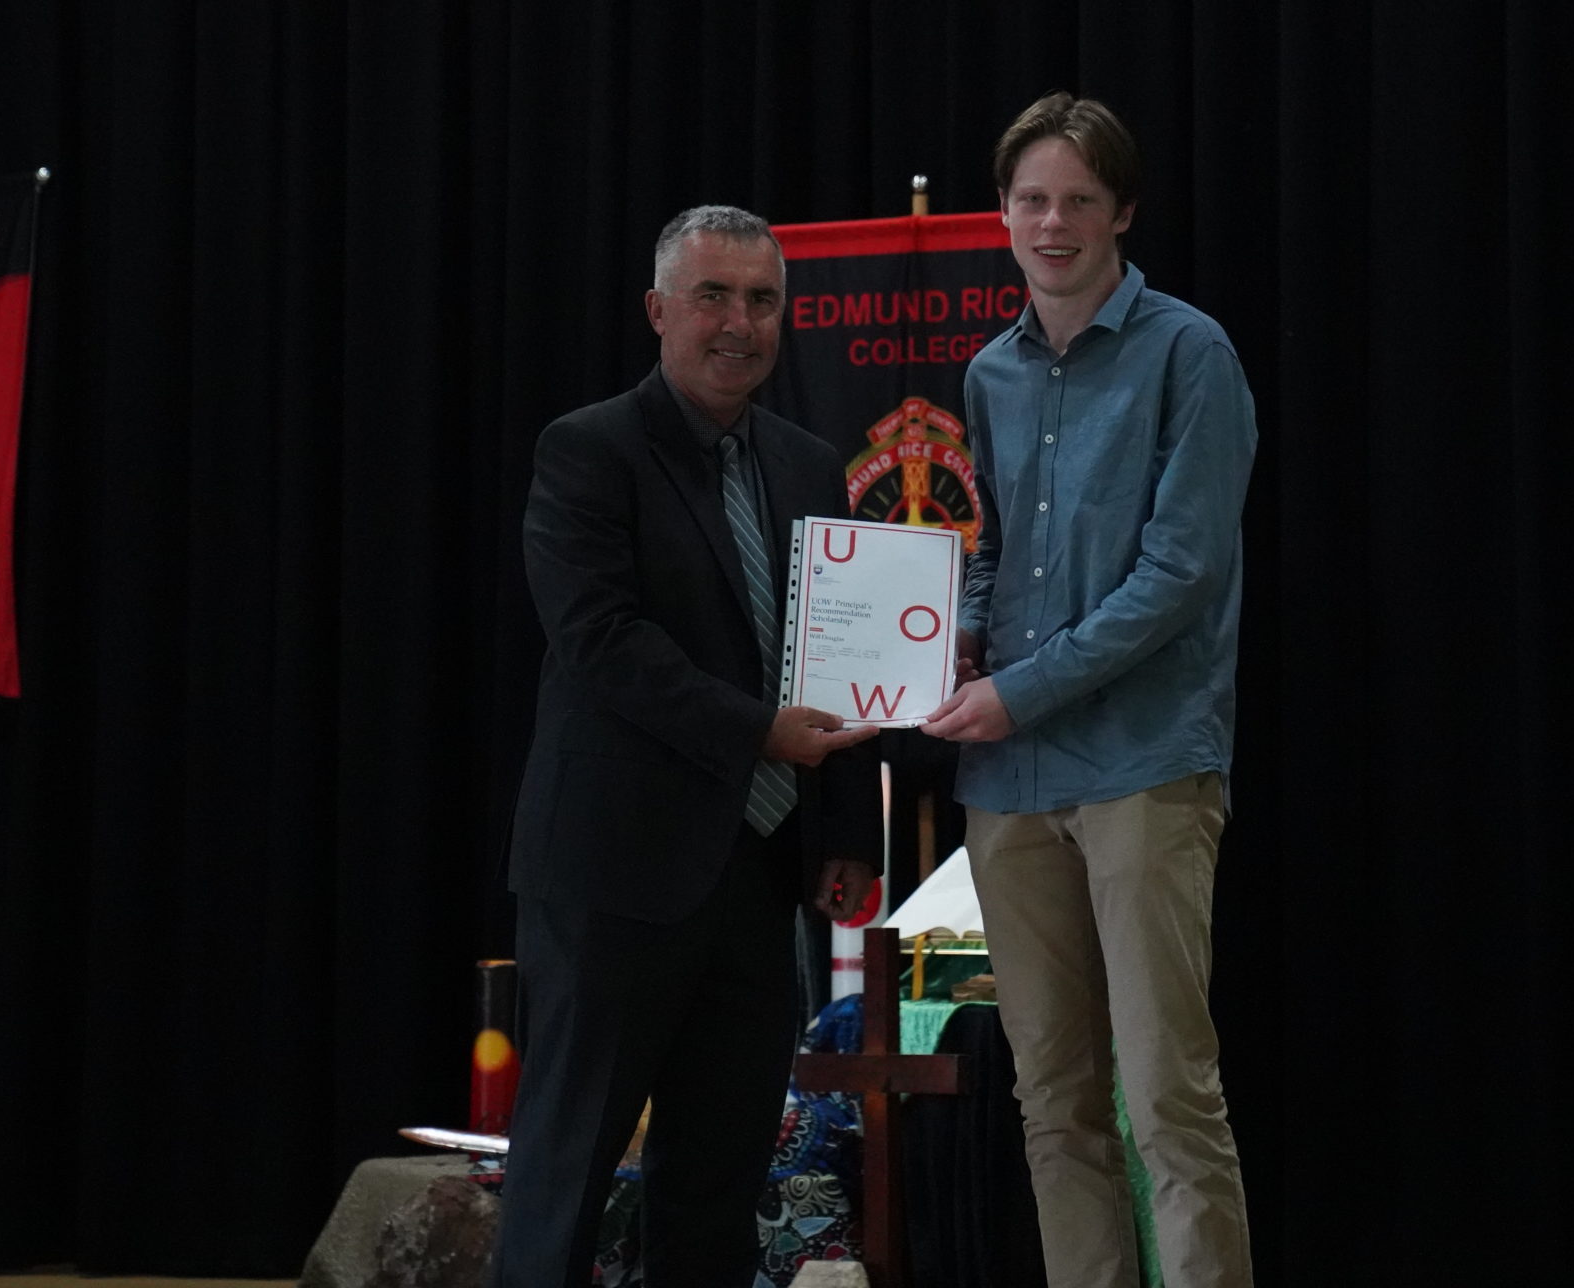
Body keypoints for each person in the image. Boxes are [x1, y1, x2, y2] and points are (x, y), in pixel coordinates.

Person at [494, 205, 883, 1288]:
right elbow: (602, 642)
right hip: (613, 874)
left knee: (718, 1180)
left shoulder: (811, 464)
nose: (739, 323)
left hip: (759, 879)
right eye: (713, 297)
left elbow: (835, 655)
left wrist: (845, 832)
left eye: (762, 301)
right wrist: (760, 732)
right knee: (565, 1176)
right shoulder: (587, 449)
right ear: (659, 311)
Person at [921, 94, 1259, 1288]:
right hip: (1008, 783)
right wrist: (959, 642)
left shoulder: (1189, 353)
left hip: (1142, 765)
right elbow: (992, 549)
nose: (1051, 223)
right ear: (1002, 213)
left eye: (1076, 200)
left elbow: (1180, 573)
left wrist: (1018, 692)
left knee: (1167, 1093)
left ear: (1122, 212)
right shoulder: (988, 372)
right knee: (1051, 1099)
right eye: (1031, 200)